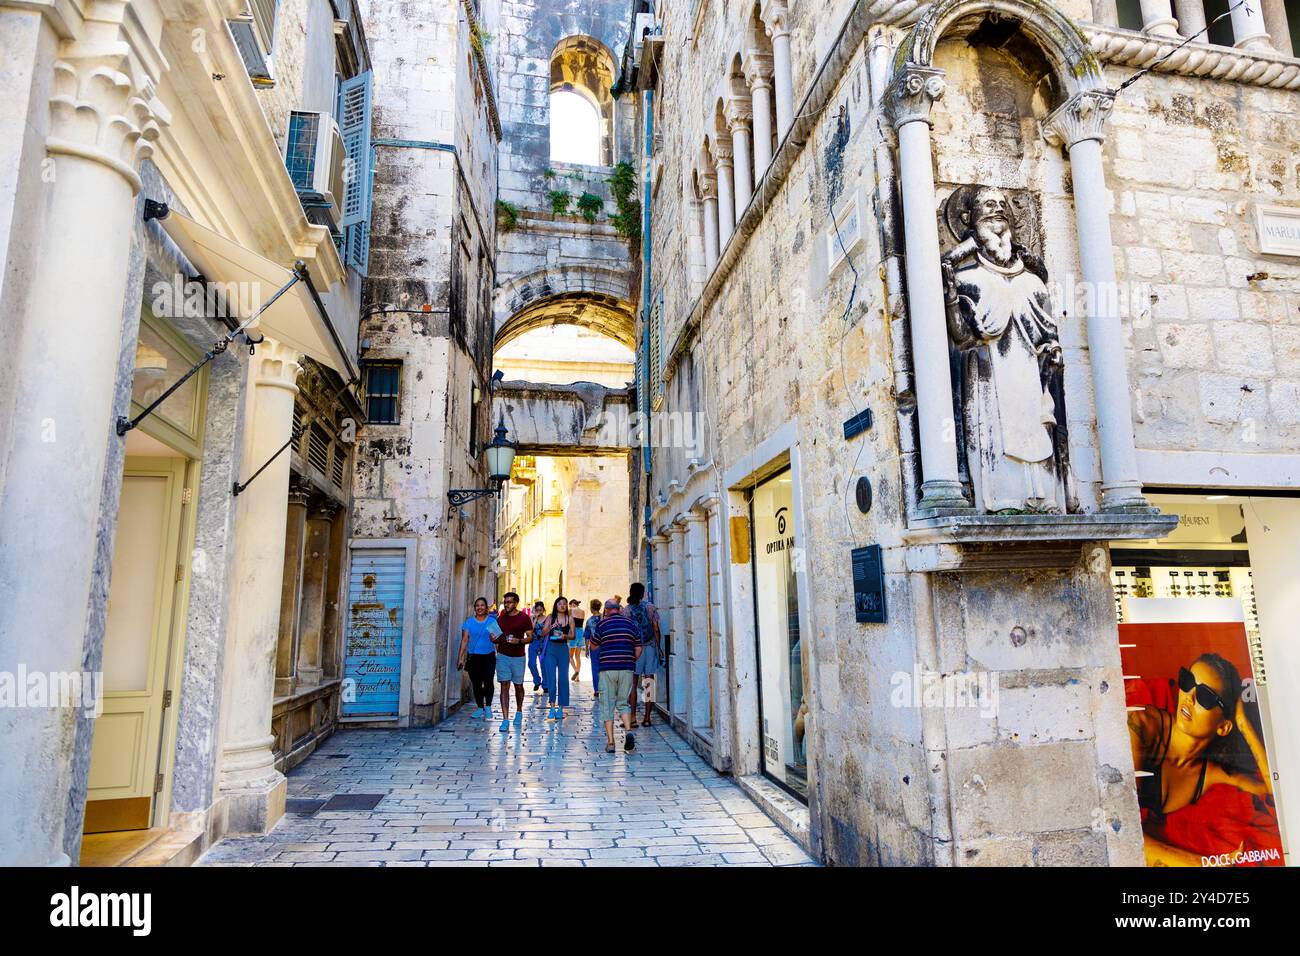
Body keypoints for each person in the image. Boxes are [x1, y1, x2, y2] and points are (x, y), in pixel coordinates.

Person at [1129, 653, 1274, 866]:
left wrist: (1244, 726)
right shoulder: (1142, 726)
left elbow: (1273, 793)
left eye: (1205, 696)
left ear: (1223, 726)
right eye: (1187, 681)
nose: (1189, 696)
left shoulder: (1210, 774)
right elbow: (1120, 830)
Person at [589, 599, 640, 753]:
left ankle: (611, 743)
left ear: (606, 610)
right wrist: (630, 660)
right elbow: (638, 647)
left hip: (607, 668)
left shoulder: (602, 624)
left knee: (607, 705)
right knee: (623, 703)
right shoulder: (630, 624)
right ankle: (628, 732)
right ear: (618, 609)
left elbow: (593, 645)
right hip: (626, 668)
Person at [492, 591, 534, 733]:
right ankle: (505, 719)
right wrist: (493, 638)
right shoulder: (501, 617)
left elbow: (530, 637)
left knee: (518, 686)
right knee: (504, 685)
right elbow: (497, 635)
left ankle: (519, 710)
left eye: (509, 602)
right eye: (505, 602)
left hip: (518, 657)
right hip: (503, 655)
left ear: (516, 603)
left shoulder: (524, 618)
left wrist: (519, 641)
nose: (507, 604)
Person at [622, 582, 662, 728]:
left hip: (634, 649)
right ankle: (647, 718)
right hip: (650, 647)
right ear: (643, 593)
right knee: (649, 682)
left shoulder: (626, 611)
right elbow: (656, 629)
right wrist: (659, 648)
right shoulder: (650, 607)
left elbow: (625, 632)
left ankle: (632, 718)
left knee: (633, 684)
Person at [456, 597, 497, 718]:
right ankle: (480, 707)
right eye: (477, 606)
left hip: (489, 657)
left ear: (486, 608)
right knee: (476, 684)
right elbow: (464, 640)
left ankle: (488, 707)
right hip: (473, 657)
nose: (480, 608)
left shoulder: (491, 622)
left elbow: (497, 641)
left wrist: (499, 656)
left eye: (482, 605)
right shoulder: (469, 622)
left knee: (489, 682)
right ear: (474, 608)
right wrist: (460, 658)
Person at [540, 596, 573, 720]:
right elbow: (543, 633)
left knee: (563, 679)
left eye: (565, 604)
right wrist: (551, 626)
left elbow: (573, 635)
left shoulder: (569, 618)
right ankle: (552, 706)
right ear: (556, 605)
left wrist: (564, 636)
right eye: (560, 604)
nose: (563, 606)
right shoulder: (550, 617)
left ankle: (561, 708)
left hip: (563, 649)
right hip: (551, 649)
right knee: (551, 678)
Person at [527, 600, 547, 694]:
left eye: (540, 609)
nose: (539, 611)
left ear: (543, 609)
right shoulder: (531, 618)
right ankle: (537, 680)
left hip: (543, 643)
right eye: (537, 609)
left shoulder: (547, 619)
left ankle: (545, 685)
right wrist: (535, 618)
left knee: (543, 664)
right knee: (531, 663)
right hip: (533, 642)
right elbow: (530, 629)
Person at [587, 598, 604, 698]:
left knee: (595, 667)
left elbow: (587, 635)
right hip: (605, 645)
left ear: (592, 608)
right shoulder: (604, 618)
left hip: (594, 646)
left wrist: (586, 647)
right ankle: (605, 688)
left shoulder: (590, 621)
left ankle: (597, 689)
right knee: (605, 667)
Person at [569, 599, 586, 681]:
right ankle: (578, 677)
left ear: (572, 604)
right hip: (581, 632)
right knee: (578, 656)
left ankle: (576, 670)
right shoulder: (583, 611)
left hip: (574, 632)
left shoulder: (571, 610)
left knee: (570, 656)